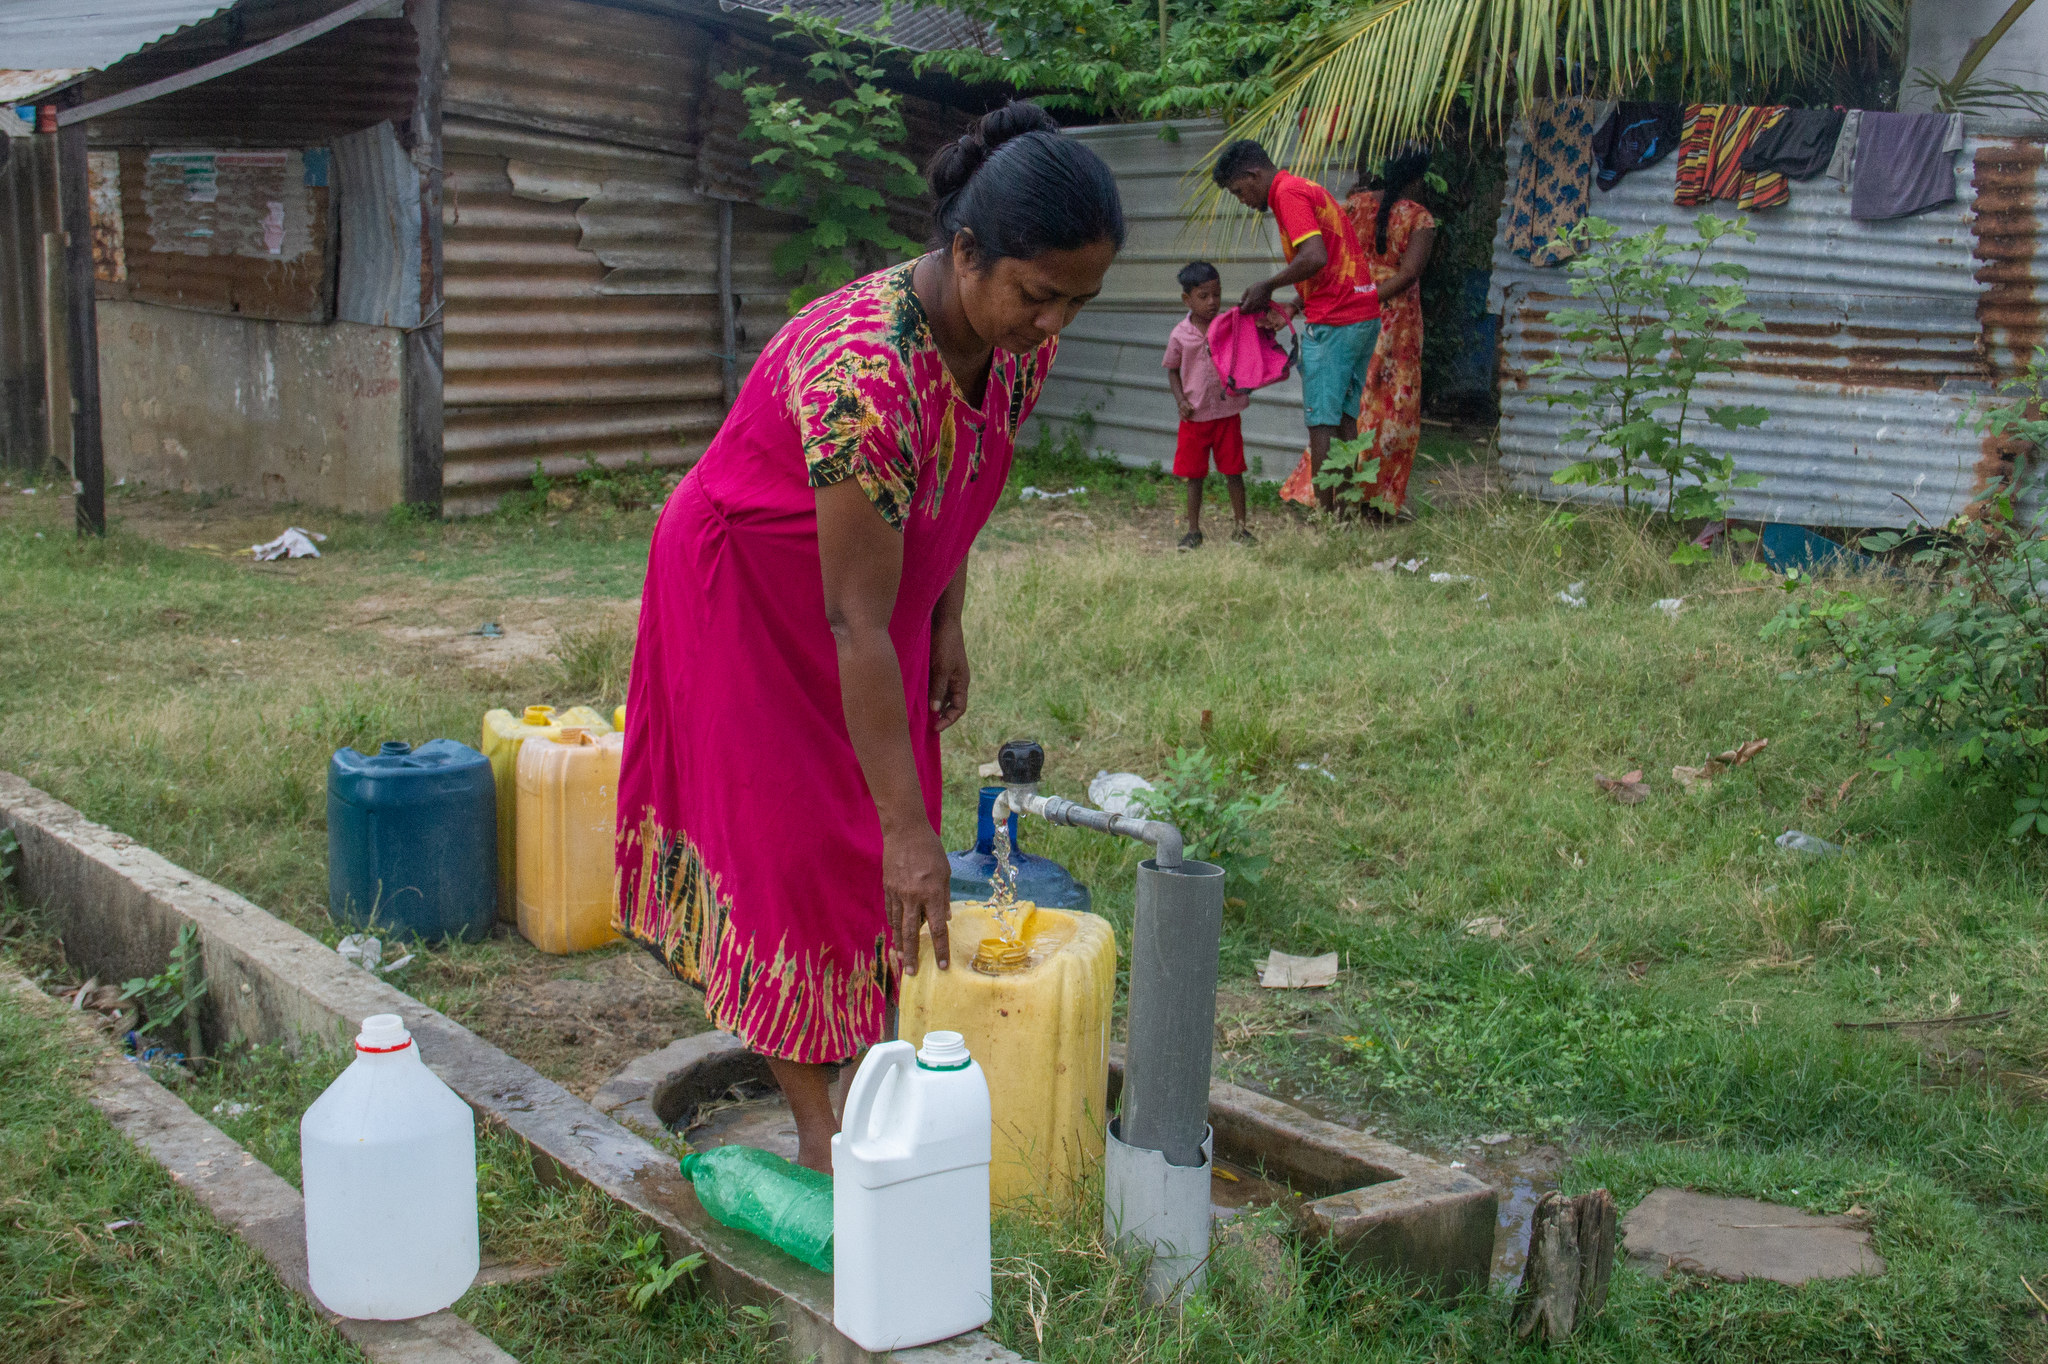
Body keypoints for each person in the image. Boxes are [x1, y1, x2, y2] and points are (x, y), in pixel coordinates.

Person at [613, 103, 1125, 1173]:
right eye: (1040, 297)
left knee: (884, 825)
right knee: (807, 843)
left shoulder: (1005, 339)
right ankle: (821, 1132)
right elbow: (850, 618)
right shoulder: (865, 375)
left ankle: (856, 1064)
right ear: (966, 251)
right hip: (753, 587)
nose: (1053, 327)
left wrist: (945, 613)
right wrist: (905, 830)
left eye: (1078, 301)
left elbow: (968, 475)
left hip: (873, 589)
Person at [1212, 139, 1380, 515]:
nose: (1241, 199)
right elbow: (1331, 257)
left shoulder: (1286, 195)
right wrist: (1292, 303)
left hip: (1337, 321)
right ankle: (1346, 513)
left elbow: (1315, 256)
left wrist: (1267, 286)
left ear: (1254, 175)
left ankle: (1325, 517)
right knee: (1344, 420)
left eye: (1239, 191)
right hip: (1363, 313)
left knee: (1321, 423)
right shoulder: (1307, 187)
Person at [1281, 149, 1437, 516]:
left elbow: (1328, 262)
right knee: (1390, 410)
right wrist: (1366, 300)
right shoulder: (1419, 217)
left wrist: (1309, 301)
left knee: (1344, 406)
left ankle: (1326, 493)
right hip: (1391, 322)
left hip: (1346, 311)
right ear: (1420, 178)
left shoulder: (1353, 205)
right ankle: (1371, 498)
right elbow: (1408, 273)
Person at [1163, 261, 1252, 549]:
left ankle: (1241, 529)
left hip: (1227, 412)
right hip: (1195, 416)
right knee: (1195, 476)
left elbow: (1247, 353)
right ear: (1186, 299)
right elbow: (1172, 369)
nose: (1212, 302)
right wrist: (1181, 400)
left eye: (1217, 294)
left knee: (1234, 471)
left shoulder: (1228, 325)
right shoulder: (1180, 334)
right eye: (1203, 296)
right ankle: (1193, 532)